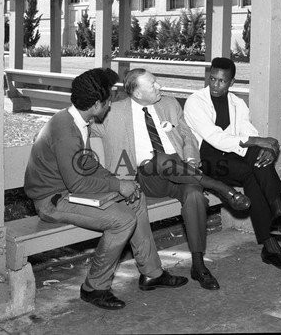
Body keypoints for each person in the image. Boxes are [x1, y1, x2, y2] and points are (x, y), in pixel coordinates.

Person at [24, 68, 188, 311]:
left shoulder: (79, 120)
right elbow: (77, 183)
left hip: (69, 191)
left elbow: (86, 163)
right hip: (53, 201)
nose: (111, 103)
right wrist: (117, 184)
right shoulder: (65, 131)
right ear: (96, 104)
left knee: (135, 196)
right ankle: (95, 287)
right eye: (108, 100)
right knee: (122, 221)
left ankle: (152, 272)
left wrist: (120, 182)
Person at [91, 68, 251, 291]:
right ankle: (220, 188)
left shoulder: (169, 104)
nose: (160, 87)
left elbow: (186, 135)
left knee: (195, 196)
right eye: (153, 85)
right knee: (160, 159)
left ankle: (198, 266)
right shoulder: (113, 112)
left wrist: (192, 158)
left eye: (157, 82)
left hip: (182, 170)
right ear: (137, 93)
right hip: (147, 176)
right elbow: (85, 124)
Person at [184, 57, 281, 273]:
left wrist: (266, 148)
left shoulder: (237, 103)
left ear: (231, 81)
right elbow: (215, 138)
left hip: (232, 154)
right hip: (208, 161)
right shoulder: (195, 102)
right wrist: (258, 143)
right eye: (212, 79)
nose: (215, 85)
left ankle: (276, 224)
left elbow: (248, 131)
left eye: (222, 81)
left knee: (258, 161)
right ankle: (276, 222)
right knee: (253, 166)